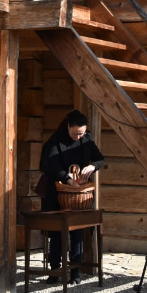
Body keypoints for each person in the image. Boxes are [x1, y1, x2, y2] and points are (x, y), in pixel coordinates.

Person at [38, 109, 104, 283]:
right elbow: (50, 165)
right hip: (57, 192)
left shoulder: (87, 139)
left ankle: (75, 273)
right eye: (75, 133)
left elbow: (99, 159)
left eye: (81, 133)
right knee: (56, 232)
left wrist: (92, 167)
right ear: (68, 127)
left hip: (78, 195)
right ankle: (55, 272)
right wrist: (67, 180)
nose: (78, 136)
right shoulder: (55, 142)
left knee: (77, 232)